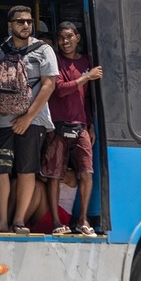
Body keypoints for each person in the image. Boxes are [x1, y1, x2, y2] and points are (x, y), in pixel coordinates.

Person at [0, 5, 58, 235]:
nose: (25, 25)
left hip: (34, 121)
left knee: (26, 169)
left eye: (29, 22)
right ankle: (2, 221)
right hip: (3, 119)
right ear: (10, 25)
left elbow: (49, 85)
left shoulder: (43, 50)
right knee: (2, 170)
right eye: (20, 21)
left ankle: (19, 221)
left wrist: (27, 117)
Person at [41, 22, 101, 237]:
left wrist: (91, 124)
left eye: (68, 37)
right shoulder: (55, 60)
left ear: (78, 37)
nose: (64, 42)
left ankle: (83, 220)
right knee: (54, 174)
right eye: (60, 38)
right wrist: (86, 76)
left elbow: (87, 99)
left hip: (81, 126)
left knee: (86, 172)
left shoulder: (87, 62)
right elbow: (60, 90)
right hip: (57, 126)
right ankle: (56, 223)